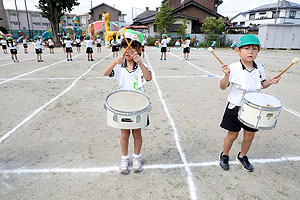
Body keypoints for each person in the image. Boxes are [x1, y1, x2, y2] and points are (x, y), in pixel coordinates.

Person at [219, 34, 280, 172]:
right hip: (235, 106)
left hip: (254, 109)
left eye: (254, 48)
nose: (250, 52)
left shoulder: (260, 68)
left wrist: (270, 81)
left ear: (259, 51)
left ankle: (242, 156)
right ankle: (225, 155)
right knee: (232, 135)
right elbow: (222, 87)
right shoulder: (233, 68)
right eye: (246, 48)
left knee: (249, 136)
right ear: (238, 51)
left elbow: (262, 84)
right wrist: (226, 75)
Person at [103, 30, 152, 174]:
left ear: (138, 50)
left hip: (138, 104)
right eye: (124, 47)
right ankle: (124, 158)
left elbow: (148, 78)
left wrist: (141, 62)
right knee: (124, 133)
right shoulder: (119, 66)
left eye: (131, 47)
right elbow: (105, 73)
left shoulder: (142, 66)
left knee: (137, 133)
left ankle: (137, 157)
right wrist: (113, 62)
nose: (127, 50)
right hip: (123, 105)